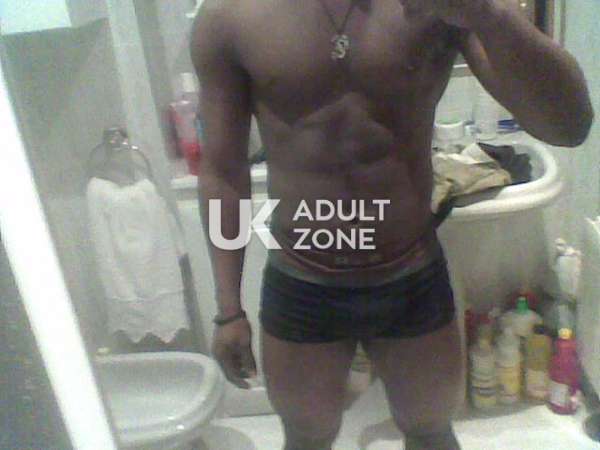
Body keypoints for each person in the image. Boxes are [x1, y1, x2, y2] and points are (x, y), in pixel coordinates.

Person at [190, 1, 593, 449]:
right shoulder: (231, 16)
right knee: (306, 439)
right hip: (302, 279)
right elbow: (223, 172)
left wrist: (489, 14)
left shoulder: (436, 8)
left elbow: (570, 126)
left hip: (410, 275)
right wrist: (228, 308)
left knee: (431, 434)